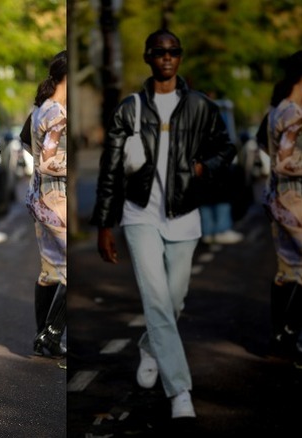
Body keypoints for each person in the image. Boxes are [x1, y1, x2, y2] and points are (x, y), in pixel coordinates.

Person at [90, 29, 235, 419]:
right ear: (148, 57)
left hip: (185, 215)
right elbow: (110, 171)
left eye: (173, 52)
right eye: (159, 52)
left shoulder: (201, 107)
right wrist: (105, 224)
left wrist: (205, 166)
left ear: (180, 58)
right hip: (139, 214)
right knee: (156, 301)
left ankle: (150, 345)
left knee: (174, 300)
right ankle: (180, 391)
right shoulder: (130, 109)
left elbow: (227, 148)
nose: (166, 57)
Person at [23, 50, 68, 358]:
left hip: (39, 198)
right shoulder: (59, 114)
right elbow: (48, 162)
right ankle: (50, 336)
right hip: (57, 200)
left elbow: (27, 143)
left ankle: (43, 337)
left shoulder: (42, 108)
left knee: (51, 271)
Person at [261, 50, 302, 363]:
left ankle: (280, 336)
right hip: (294, 199)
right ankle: (290, 331)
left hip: (278, 199)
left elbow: (267, 146)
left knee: (289, 269)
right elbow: (286, 162)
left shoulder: (278, 109)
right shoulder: (294, 113)